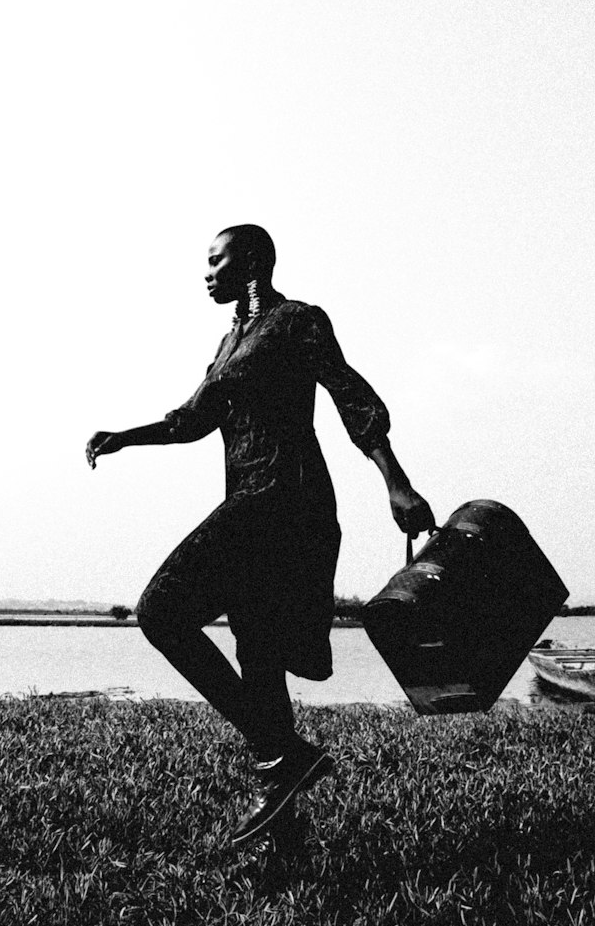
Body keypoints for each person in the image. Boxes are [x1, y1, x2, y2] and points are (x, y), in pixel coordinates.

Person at [86, 225, 434, 846]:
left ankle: (278, 752)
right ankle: (282, 829)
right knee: (260, 660)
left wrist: (396, 482)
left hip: (285, 503)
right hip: (249, 503)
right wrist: (124, 437)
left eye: (215, 261)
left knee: (160, 611)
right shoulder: (228, 344)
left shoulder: (298, 321)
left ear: (250, 263)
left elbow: (351, 396)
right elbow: (192, 420)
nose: (206, 273)